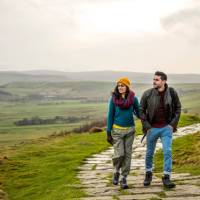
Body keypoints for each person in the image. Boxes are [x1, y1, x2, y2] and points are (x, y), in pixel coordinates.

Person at [140, 71, 181, 188]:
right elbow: (141, 110)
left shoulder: (171, 93)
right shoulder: (147, 93)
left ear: (163, 81)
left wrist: (172, 125)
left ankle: (166, 177)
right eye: (153, 79)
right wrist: (147, 126)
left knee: (167, 151)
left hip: (166, 128)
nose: (154, 81)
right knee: (149, 153)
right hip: (151, 128)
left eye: (157, 80)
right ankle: (148, 173)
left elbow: (178, 108)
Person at [106, 77, 140, 189]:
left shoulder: (133, 99)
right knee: (120, 154)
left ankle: (124, 178)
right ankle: (116, 171)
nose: (120, 87)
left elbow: (139, 113)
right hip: (117, 131)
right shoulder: (113, 99)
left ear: (127, 87)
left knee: (128, 154)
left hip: (130, 130)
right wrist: (108, 132)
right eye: (119, 85)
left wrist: (147, 122)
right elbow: (110, 115)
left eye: (123, 85)